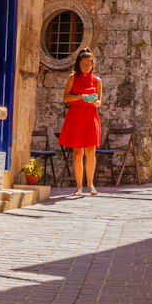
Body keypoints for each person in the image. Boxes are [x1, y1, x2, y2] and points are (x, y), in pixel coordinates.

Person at [58, 48, 102, 196]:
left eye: (88, 64)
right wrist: (79, 96)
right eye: (83, 64)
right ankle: (79, 187)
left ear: (92, 65)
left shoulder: (97, 81)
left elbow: (99, 101)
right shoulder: (72, 78)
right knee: (77, 153)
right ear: (79, 64)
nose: (85, 66)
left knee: (91, 151)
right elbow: (65, 98)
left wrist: (95, 102)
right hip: (76, 117)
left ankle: (90, 185)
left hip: (91, 117)